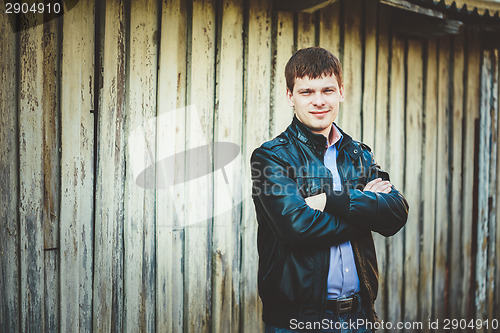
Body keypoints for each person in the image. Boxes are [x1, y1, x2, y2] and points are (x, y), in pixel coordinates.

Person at [250, 47, 409, 332]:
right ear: (290, 96)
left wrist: (329, 199)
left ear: (341, 92)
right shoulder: (271, 157)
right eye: (307, 92)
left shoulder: (358, 154)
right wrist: (366, 214)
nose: (319, 101)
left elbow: (396, 213)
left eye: (327, 90)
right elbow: (296, 227)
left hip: (360, 315)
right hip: (299, 321)